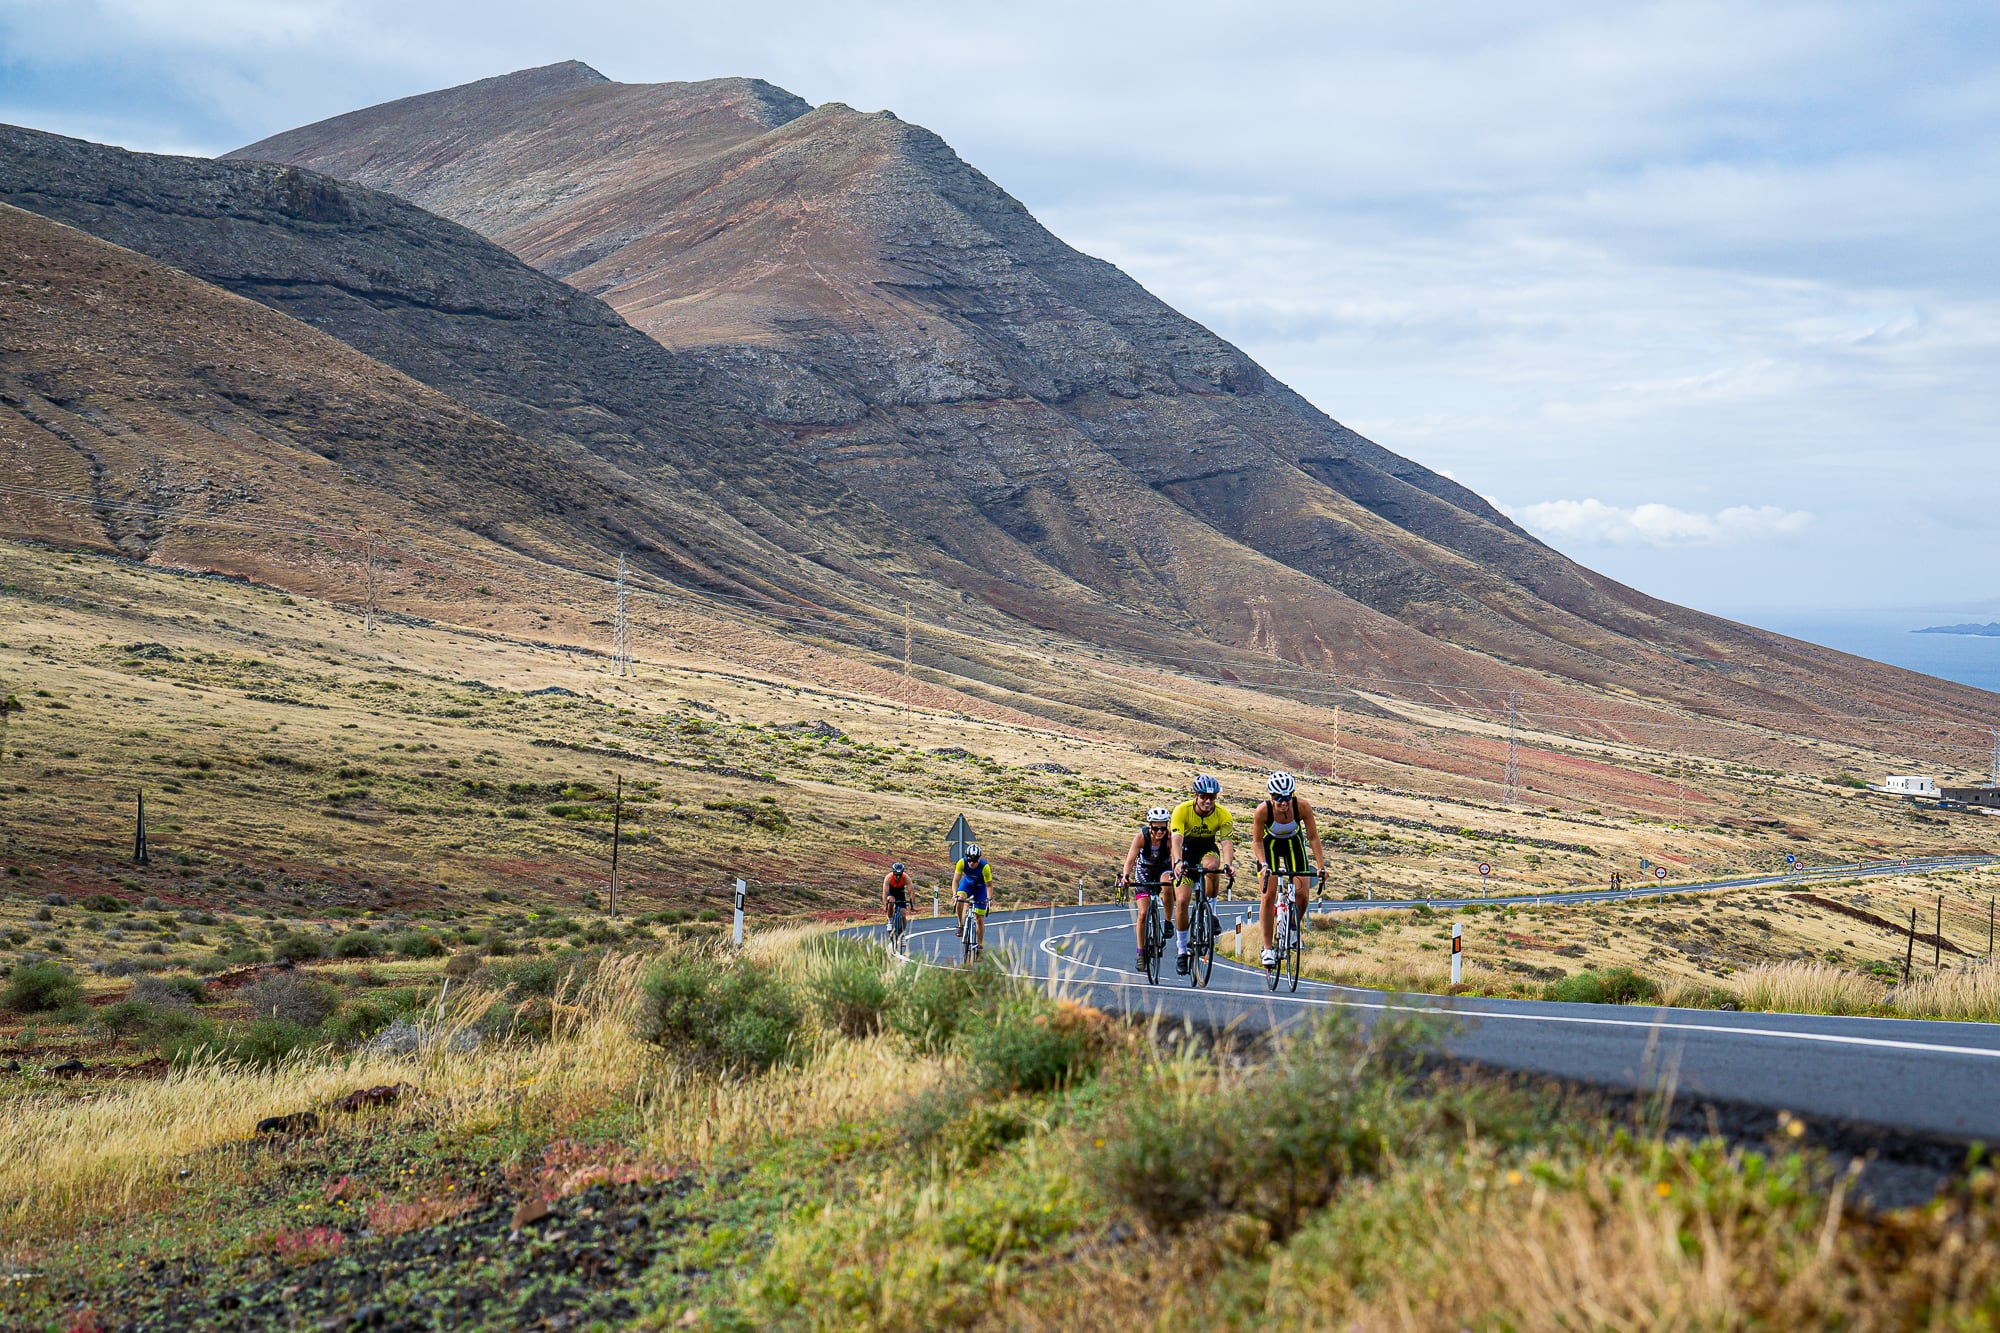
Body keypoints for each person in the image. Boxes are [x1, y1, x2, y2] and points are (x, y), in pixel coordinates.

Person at [1253, 771, 1326, 968]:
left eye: (1287, 798)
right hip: (1270, 847)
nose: (1283, 803)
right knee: (1268, 895)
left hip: (1294, 845)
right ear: (1271, 797)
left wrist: (1321, 866)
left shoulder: (1301, 806)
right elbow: (1257, 841)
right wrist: (1264, 864)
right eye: (1278, 799)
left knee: (1302, 896)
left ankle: (1292, 928)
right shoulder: (1263, 811)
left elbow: (1313, 837)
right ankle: (1268, 948)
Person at [1169, 775, 1235, 975]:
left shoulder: (1223, 815)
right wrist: (1178, 862)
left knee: (1213, 867)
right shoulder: (1182, 810)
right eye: (1204, 796)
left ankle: (1212, 913)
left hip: (1207, 848)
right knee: (1182, 901)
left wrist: (1229, 865)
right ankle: (1182, 950)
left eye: (1212, 797)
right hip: (1186, 852)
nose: (1208, 801)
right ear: (1195, 796)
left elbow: (1226, 843)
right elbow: (1177, 840)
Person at [1119, 807, 1175, 971]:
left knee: (1168, 884)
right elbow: (1130, 860)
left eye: (1163, 828)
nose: (1159, 832)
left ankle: (1168, 921)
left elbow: (1175, 859)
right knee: (1143, 914)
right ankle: (1141, 954)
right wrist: (1125, 876)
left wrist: (1177, 873)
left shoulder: (1170, 838)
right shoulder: (1141, 837)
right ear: (1150, 826)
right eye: (1156, 828)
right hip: (1144, 872)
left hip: (1163, 869)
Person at [953, 843, 994, 955]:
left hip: (980, 889)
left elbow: (989, 886)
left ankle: (980, 947)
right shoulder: (962, 862)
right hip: (967, 885)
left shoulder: (985, 867)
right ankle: (961, 925)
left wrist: (989, 900)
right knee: (960, 898)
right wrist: (954, 894)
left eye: (974, 861)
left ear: (979, 859)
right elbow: (956, 881)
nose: (971, 863)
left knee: (979, 918)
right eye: (969, 859)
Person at [882, 861, 911, 946]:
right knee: (891, 900)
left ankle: (902, 936)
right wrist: (885, 905)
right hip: (891, 893)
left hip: (900, 893)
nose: (898, 877)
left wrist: (912, 903)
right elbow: (885, 892)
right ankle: (890, 921)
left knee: (903, 915)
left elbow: (911, 890)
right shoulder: (888, 878)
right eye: (896, 875)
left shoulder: (906, 877)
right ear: (893, 873)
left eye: (900, 875)